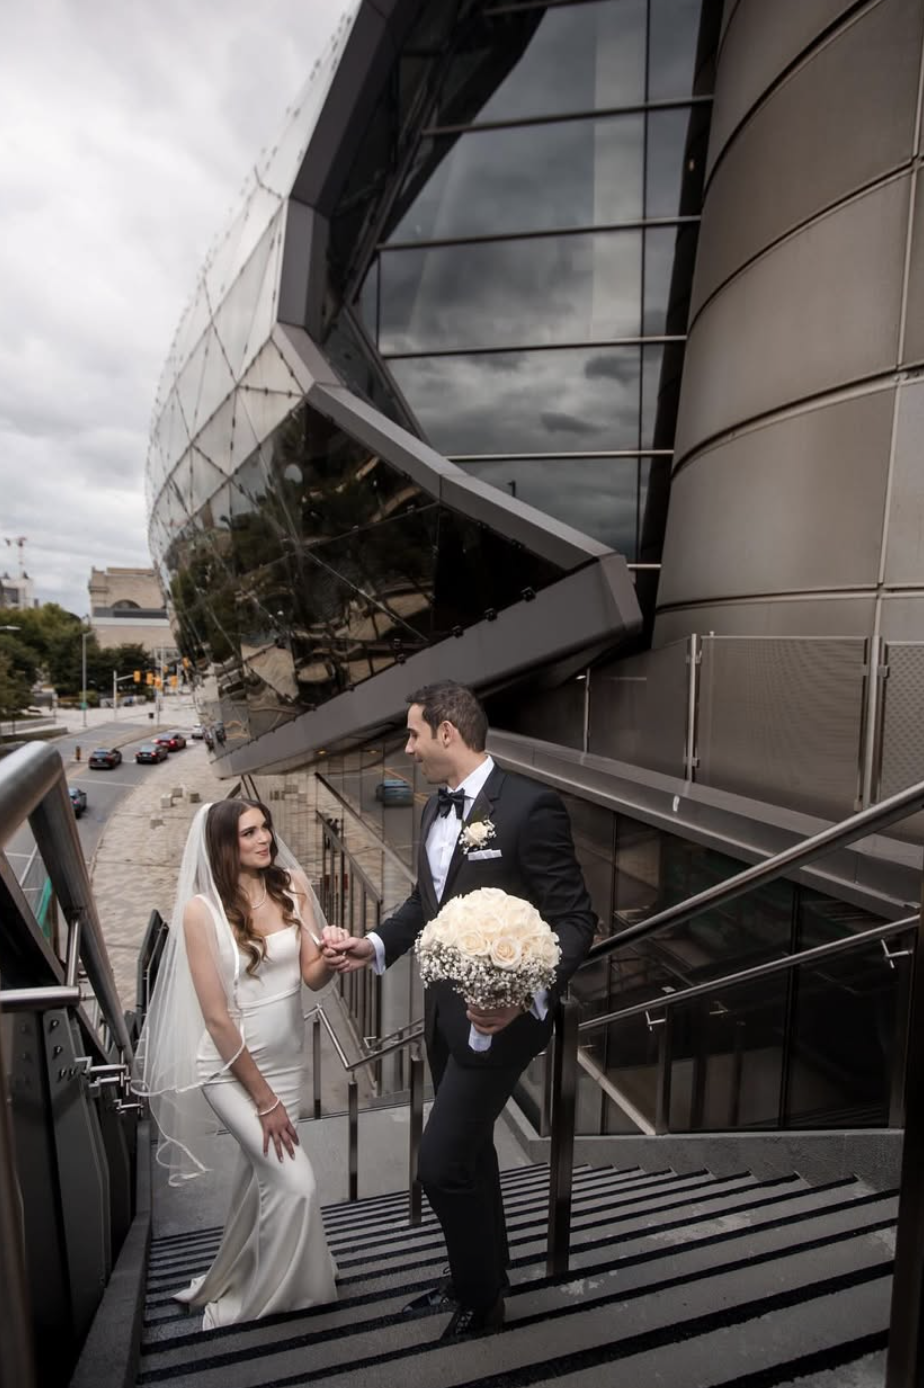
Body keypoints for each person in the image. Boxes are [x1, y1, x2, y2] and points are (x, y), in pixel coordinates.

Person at [323, 682, 595, 1339]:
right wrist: (376, 945)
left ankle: (482, 1299)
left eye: (414, 734)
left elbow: (576, 918)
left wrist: (525, 993)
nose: (407, 748)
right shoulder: (433, 810)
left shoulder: (530, 808)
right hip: (443, 1013)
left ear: (448, 733)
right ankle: (483, 1269)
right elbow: (427, 903)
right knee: (470, 1155)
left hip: (500, 1021)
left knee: (440, 1166)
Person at [132, 798, 341, 1329]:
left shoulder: (291, 883)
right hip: (230, 1072)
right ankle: (270, 1298)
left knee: (262, 1178)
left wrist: (332, 957)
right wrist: (265, 1101)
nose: (264, 837)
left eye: (265, 827)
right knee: (296, 1183)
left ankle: (239, 1270)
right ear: (225, 844)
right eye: (249, 832)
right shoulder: (200, 912)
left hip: (288, 1062)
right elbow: (218, 1019)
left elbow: (312, 975)